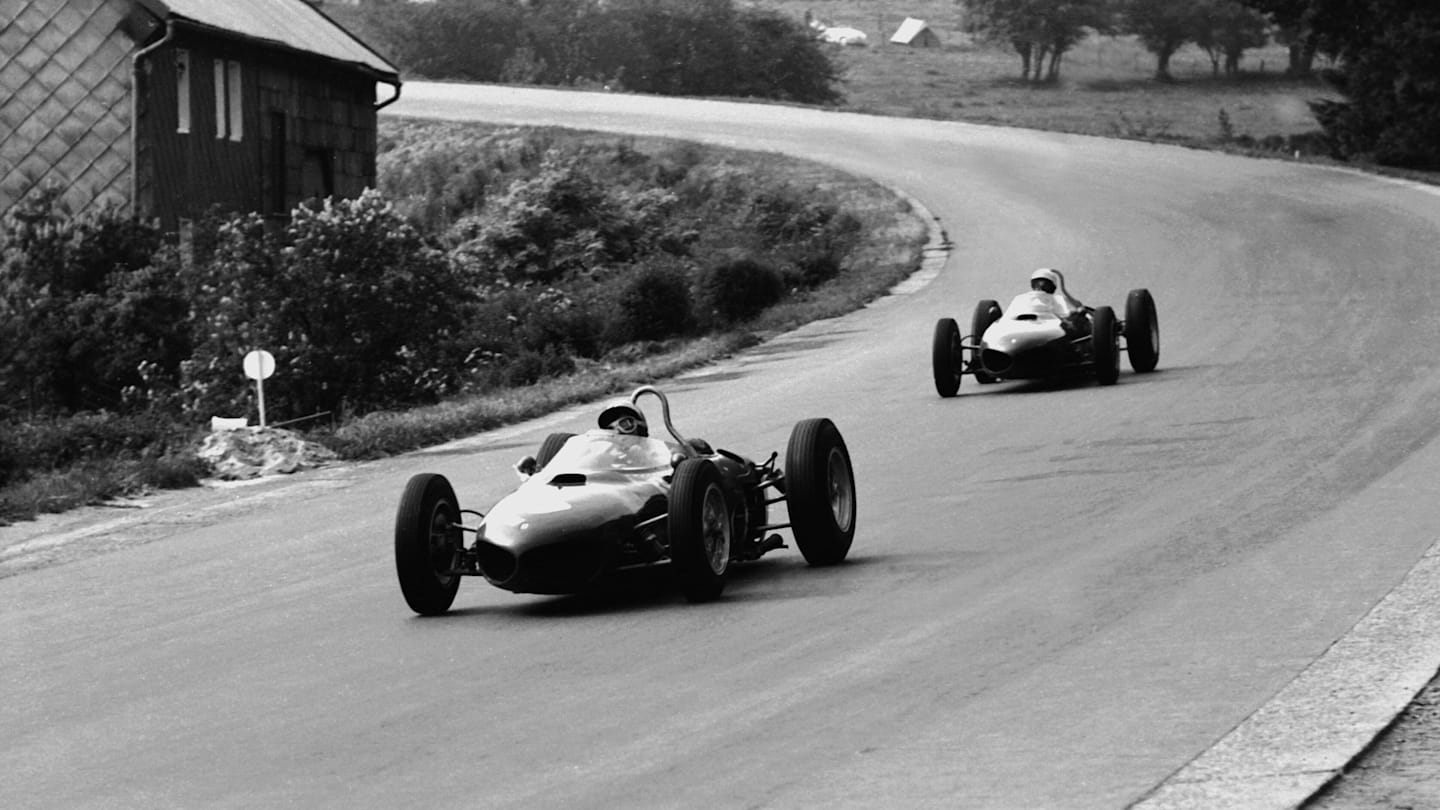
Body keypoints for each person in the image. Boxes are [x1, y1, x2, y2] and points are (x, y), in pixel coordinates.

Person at [1029, 267, 1091, 334]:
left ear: (1052, 286)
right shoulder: (1021, 298)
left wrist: (1076, 314)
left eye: (1045, 283)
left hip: (1055, 328)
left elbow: (1072, 315)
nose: (1040, 285)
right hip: (1028, 327)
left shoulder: (1059, 299)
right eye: (1037, 283)